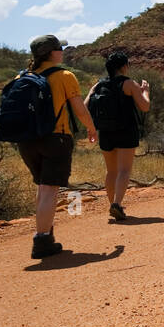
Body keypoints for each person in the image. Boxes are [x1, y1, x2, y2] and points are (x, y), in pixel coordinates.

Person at [18, 34, 96, 258]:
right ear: (52, 53)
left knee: (43, 187)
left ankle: (47, 234)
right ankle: (42, 240)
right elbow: (80, 109)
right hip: (55, 138)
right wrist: (91, 128)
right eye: (60, 48)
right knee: (49, 189)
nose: (62, 51)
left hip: (26, 141)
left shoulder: (21, 77)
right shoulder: (64, 76)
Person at [86, 50, 150, 221]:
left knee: (111, 171)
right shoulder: (129, 84)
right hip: (126, 131)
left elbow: (86, 106)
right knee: (124, 170)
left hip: (105, 132)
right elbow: (145, 106)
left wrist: (91, 127)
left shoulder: (98, 85)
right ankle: (117, 204)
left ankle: (113, 204)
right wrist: (145, 91)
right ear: (123, 67)